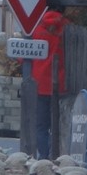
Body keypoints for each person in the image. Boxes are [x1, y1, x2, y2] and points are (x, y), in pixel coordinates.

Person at [29, 9, 68, 159]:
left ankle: (44, 157)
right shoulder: (66, 30)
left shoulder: (37, 31)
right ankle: (56, 156)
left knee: (41, 126)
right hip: (60, 86)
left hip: (40, 86)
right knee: (57, 125)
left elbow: (22, 58)